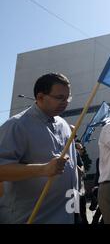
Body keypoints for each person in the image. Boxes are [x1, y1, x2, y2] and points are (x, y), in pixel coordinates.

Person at [0, 73, 78, 224]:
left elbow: (71, 174)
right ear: (40, 97)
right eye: (60, 97)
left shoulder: (65, 126)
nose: (65, 102)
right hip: (31, 217)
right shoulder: (17, 126)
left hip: (66, 216)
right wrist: (43, 169)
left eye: (68, 98)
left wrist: (74, 212)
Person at [75, 142, 88, 224]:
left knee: (83, 212)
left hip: (81, 189)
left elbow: (82, 168)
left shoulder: (76, 155)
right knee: (76, 214)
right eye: (80, 149)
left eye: (82, 149)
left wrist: (81, 170)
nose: (82, 151)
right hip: (73, 191)